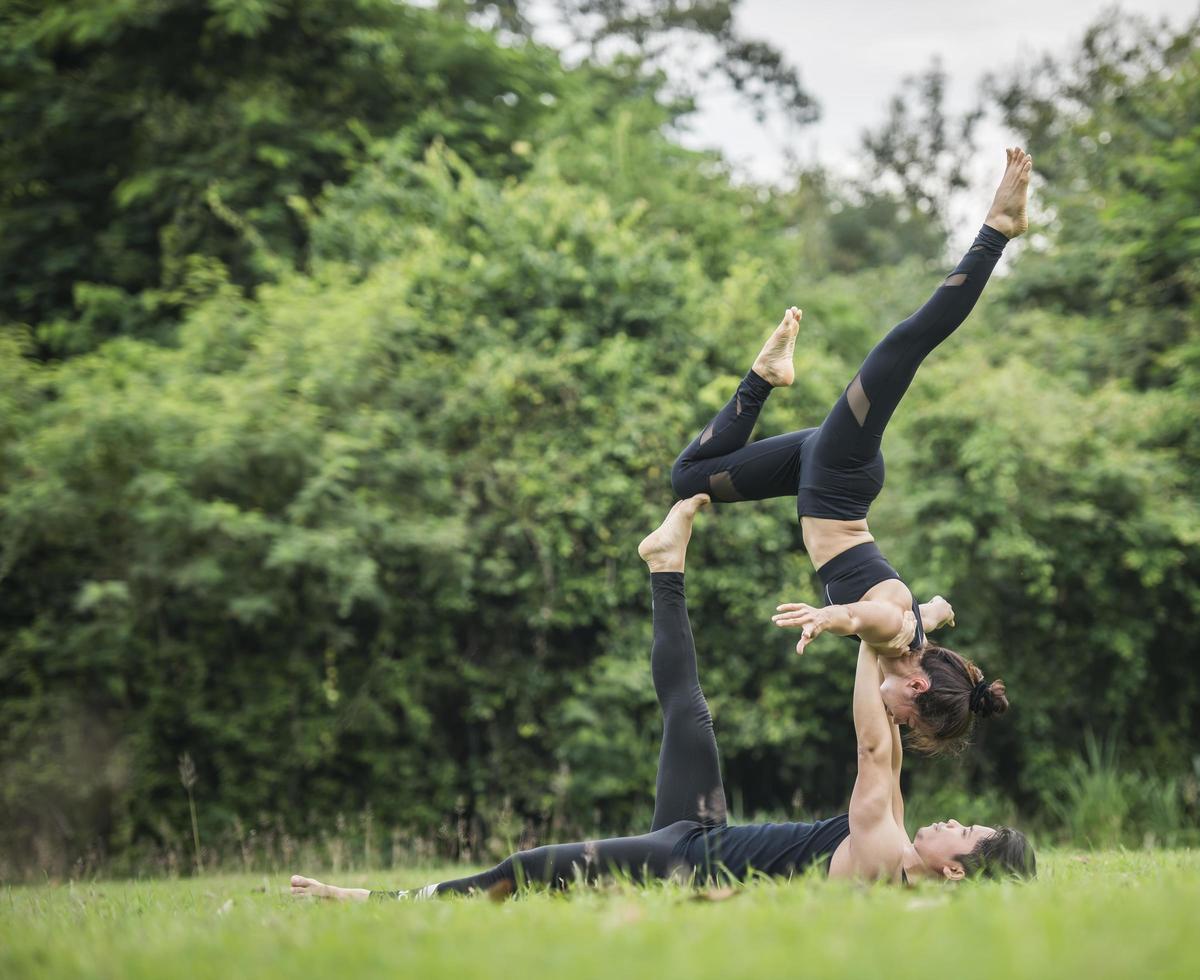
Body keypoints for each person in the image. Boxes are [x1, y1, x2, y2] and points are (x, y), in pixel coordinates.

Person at [289, 497, 1034, 901]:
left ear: (956, 869)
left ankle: (376, 904)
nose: (951, 819)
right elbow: (892, 745)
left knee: (538, 863)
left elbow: (877, 745)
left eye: (963, 831)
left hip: (688, 860)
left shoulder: (881, 851)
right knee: (687, 709)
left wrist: (894, 627)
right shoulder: (897, 855)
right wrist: (909, 627)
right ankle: (665, 562)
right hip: (705, 834)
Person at [671, 148, 1033, 753]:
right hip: (839, 476)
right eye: (906, 721)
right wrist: (824, 618)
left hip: (818, 476)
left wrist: (938, 613)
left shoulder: (916, 628)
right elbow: (861, 618)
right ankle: (998, 231)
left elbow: (938, 608)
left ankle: (766, 375)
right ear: (916, 685)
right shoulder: (892, 632)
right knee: (903, 345)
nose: (892, 719)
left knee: (689, 479)